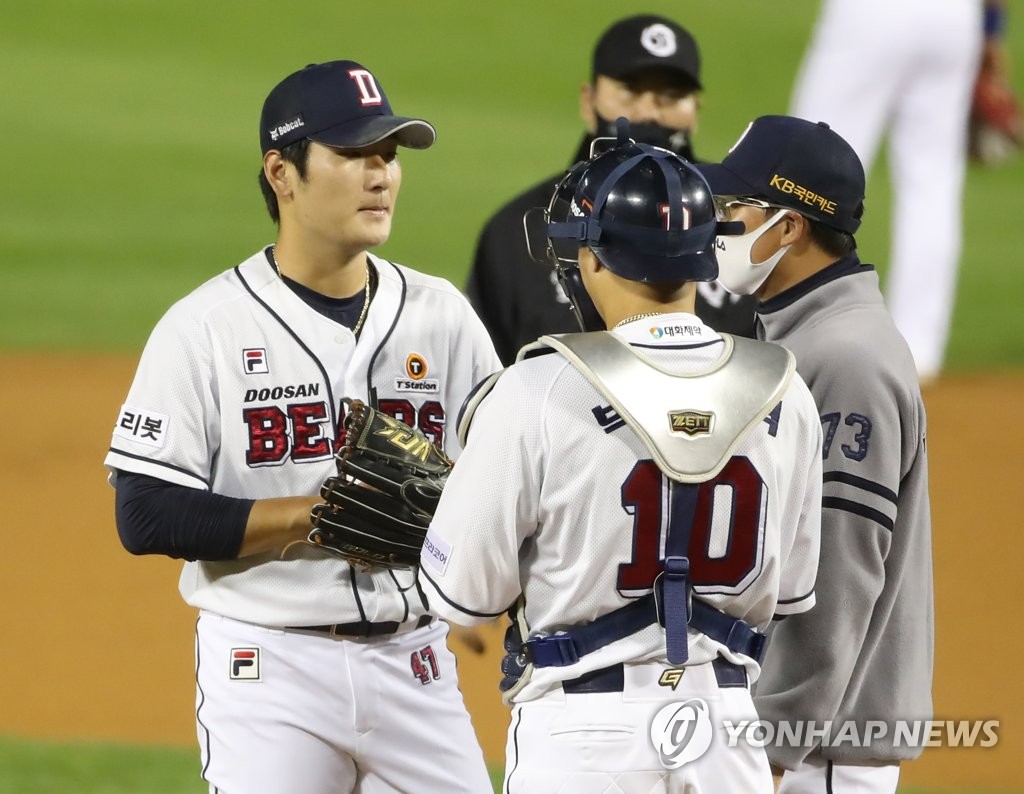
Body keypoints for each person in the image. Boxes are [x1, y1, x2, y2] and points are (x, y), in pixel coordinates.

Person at [104, 60, 498, 794]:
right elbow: (145, 512)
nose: (381, 174)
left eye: (389, 154)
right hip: (269, 672)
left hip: (416, 665)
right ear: (282, 173)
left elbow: (509, 478)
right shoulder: (205, 329)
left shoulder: (443, 316)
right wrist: (318, 518)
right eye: (354, 155)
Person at [418, 127, 824, 793]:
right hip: (725, 733)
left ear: (594, 261)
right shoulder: (786, 391)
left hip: (586, 737)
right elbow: (791, 589)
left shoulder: (536, 390)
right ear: (704, 258)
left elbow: (466, 597)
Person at [694, 115, 934, 793]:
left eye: (736, 207)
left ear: (791, 225)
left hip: (820, 750)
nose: (721, 224)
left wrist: (774, 745)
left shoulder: (849, 358)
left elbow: (840, 572)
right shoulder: (807, 336)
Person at [467, 13, 757, 365]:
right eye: (631, 90)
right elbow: (485, 370)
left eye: (671, 95)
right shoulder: (516, 230)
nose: (649, 112)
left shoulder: (745, 220)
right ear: (589, 101)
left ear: (695, 108)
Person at [788, 0, 987, 382]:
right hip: (956, 16)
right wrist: (990, 28)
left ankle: (800, 334)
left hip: (874, 14)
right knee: (932, 183)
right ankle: (920, 356)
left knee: (809, 169)